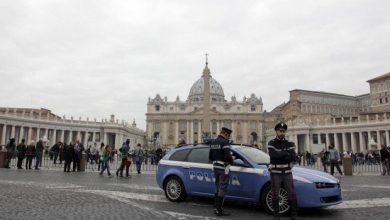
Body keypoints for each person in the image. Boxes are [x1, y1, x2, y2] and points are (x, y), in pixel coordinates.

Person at [267, 122, 298, 220]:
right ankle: (276, 215)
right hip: (276, 172)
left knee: (291, 192)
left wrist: (280, 153)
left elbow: (293, 157)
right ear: (276, 131)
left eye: (284, 131)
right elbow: (273, 156)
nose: (282, 133)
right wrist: (286, 152)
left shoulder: (290, 143)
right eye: (280, 131)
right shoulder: (271, 143)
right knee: (275, 193)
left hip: (287, 171)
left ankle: (294, 214)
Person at [208, 127, 233, 216]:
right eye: (228, 136)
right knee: (222, 187)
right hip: (223, 168)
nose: (229, 138)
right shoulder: (225, 142)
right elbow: (227, 157)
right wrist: (232, 160)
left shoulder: (213, 142)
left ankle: (216, 207)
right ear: (225, 134)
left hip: (215, 167)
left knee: (217, 187)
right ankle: (219, 210)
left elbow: (210, 157)